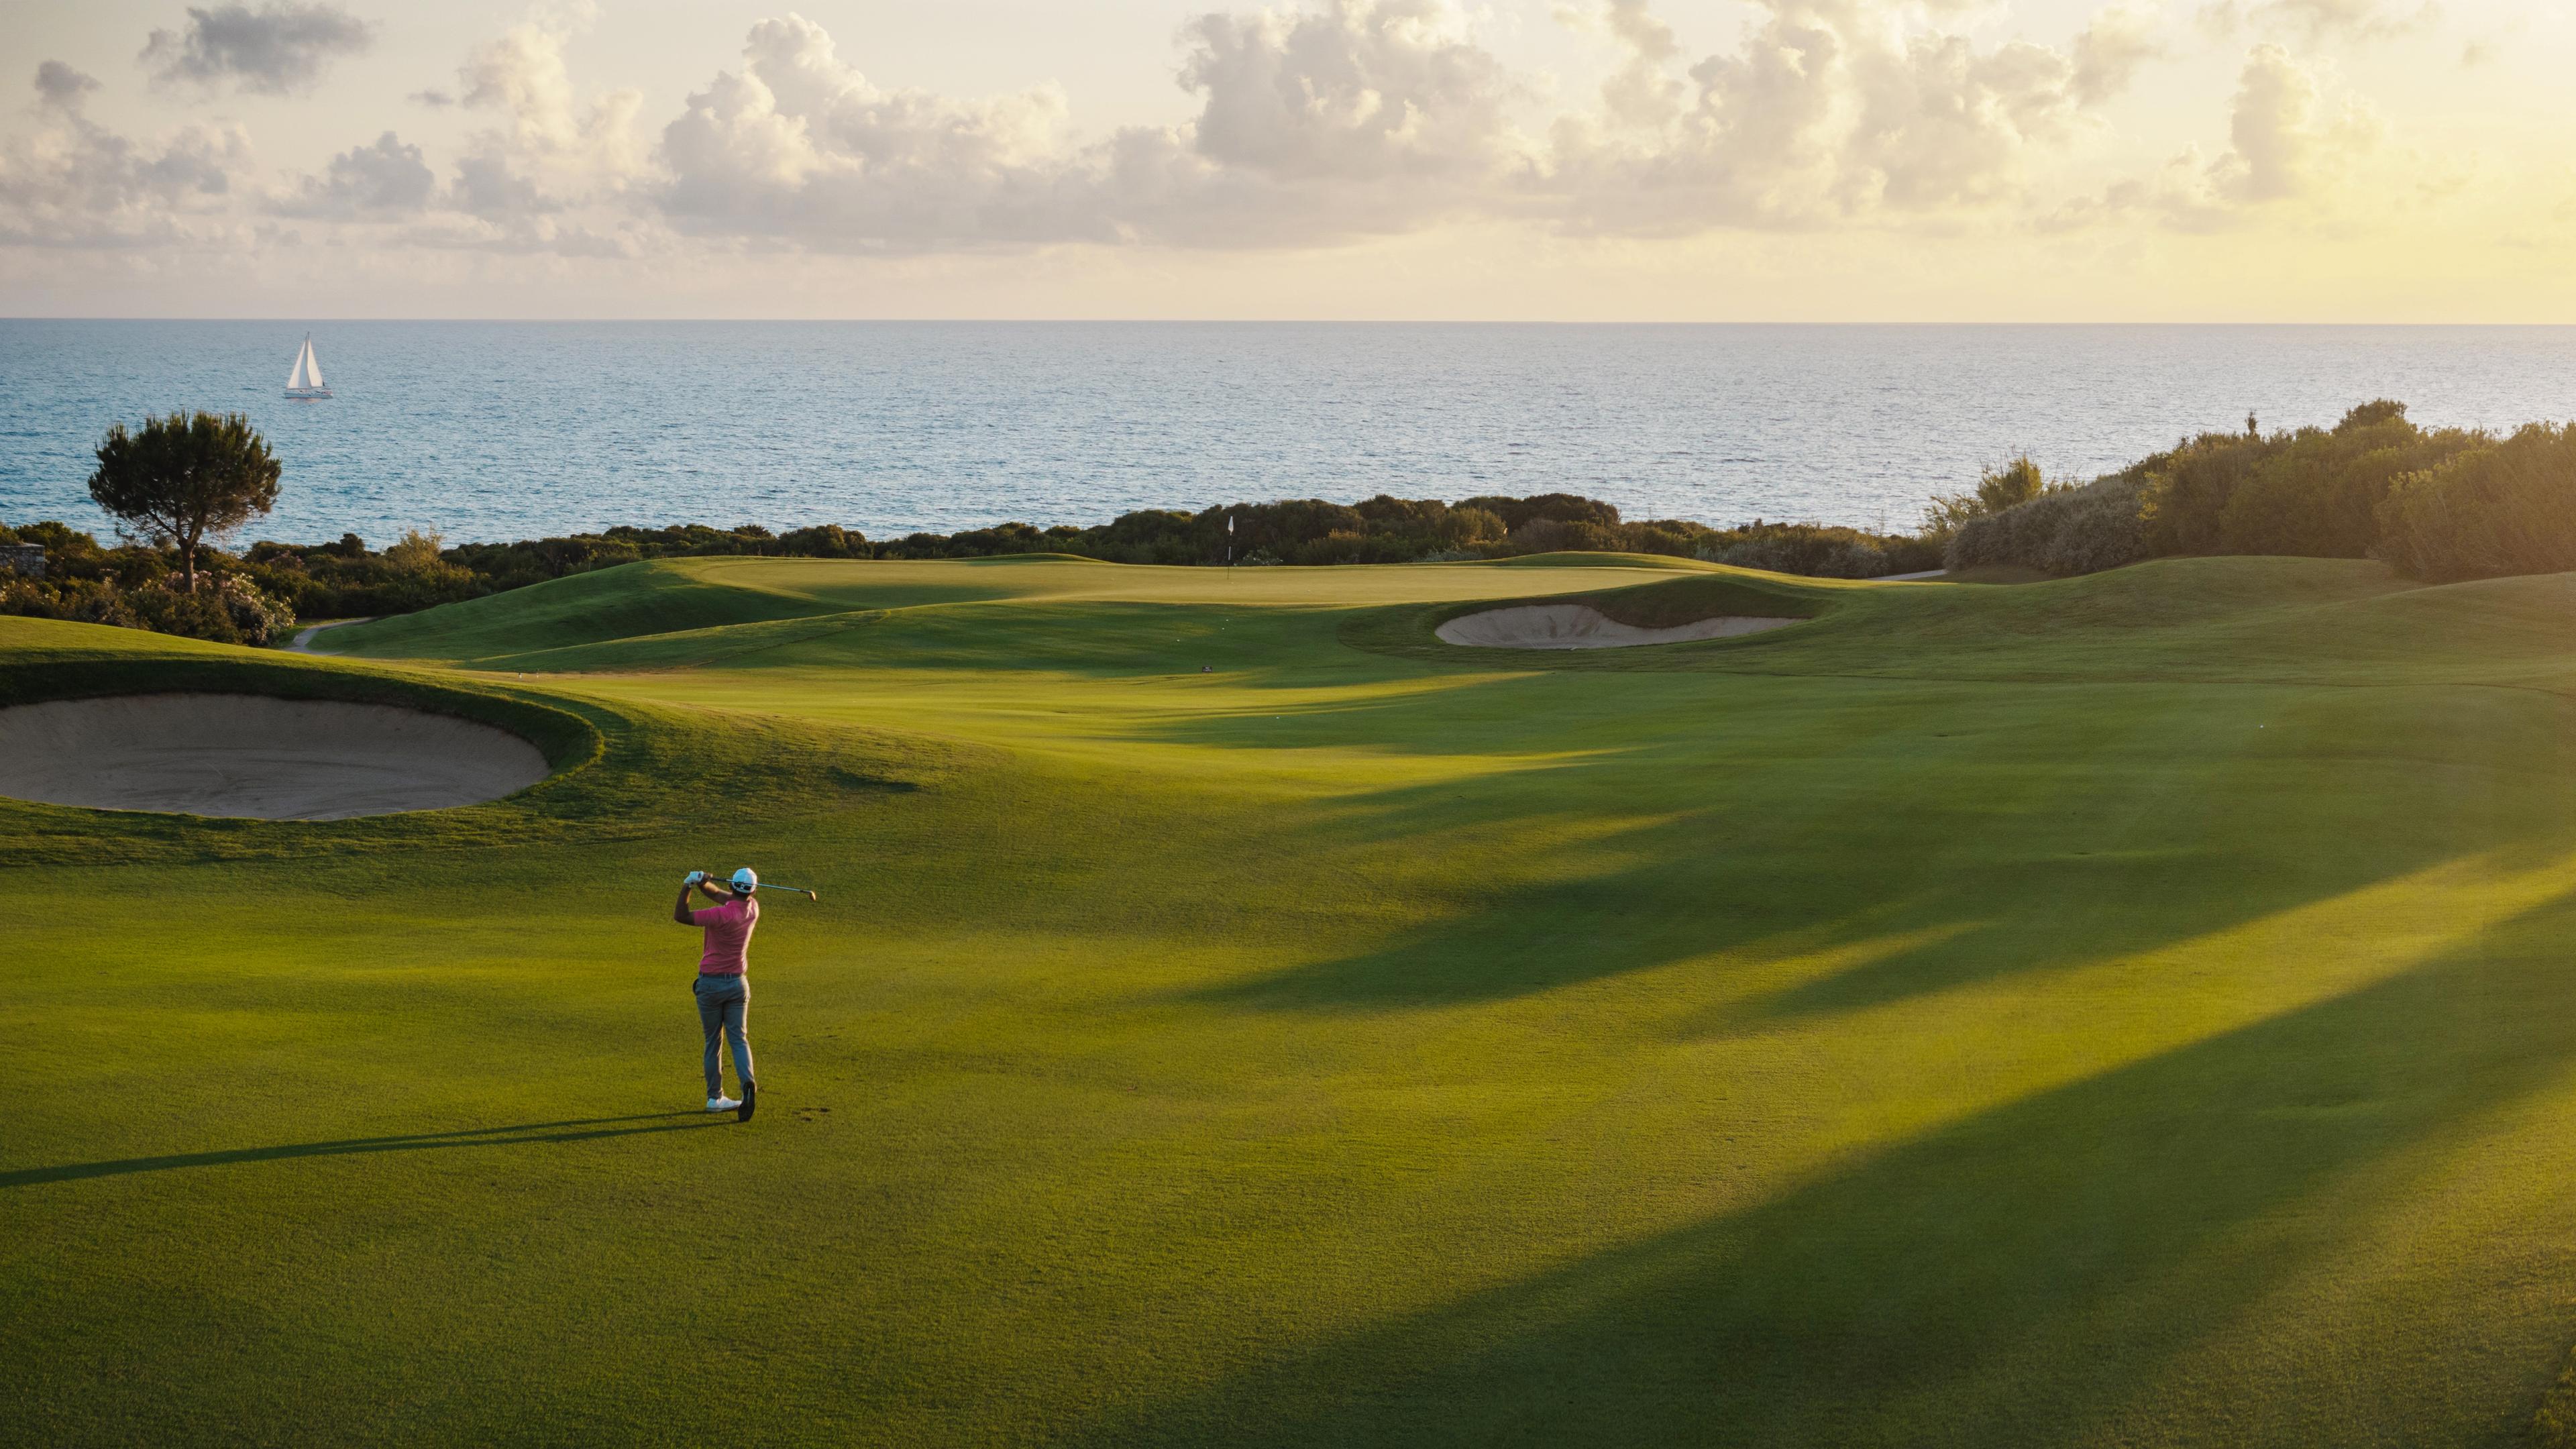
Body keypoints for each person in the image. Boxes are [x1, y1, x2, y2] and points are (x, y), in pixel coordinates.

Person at [674, 867, 760, 1120]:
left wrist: (688, 885)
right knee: (739, 1039)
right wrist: (703, 884)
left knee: (713, 1042)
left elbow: (681, 916)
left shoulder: (719, 916)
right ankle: (748, 1084)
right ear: (752, 891)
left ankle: (715, 1097)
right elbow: (721, 895)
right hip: (737, 984)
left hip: (710, 985)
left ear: (733, 886)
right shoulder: (753, 908)